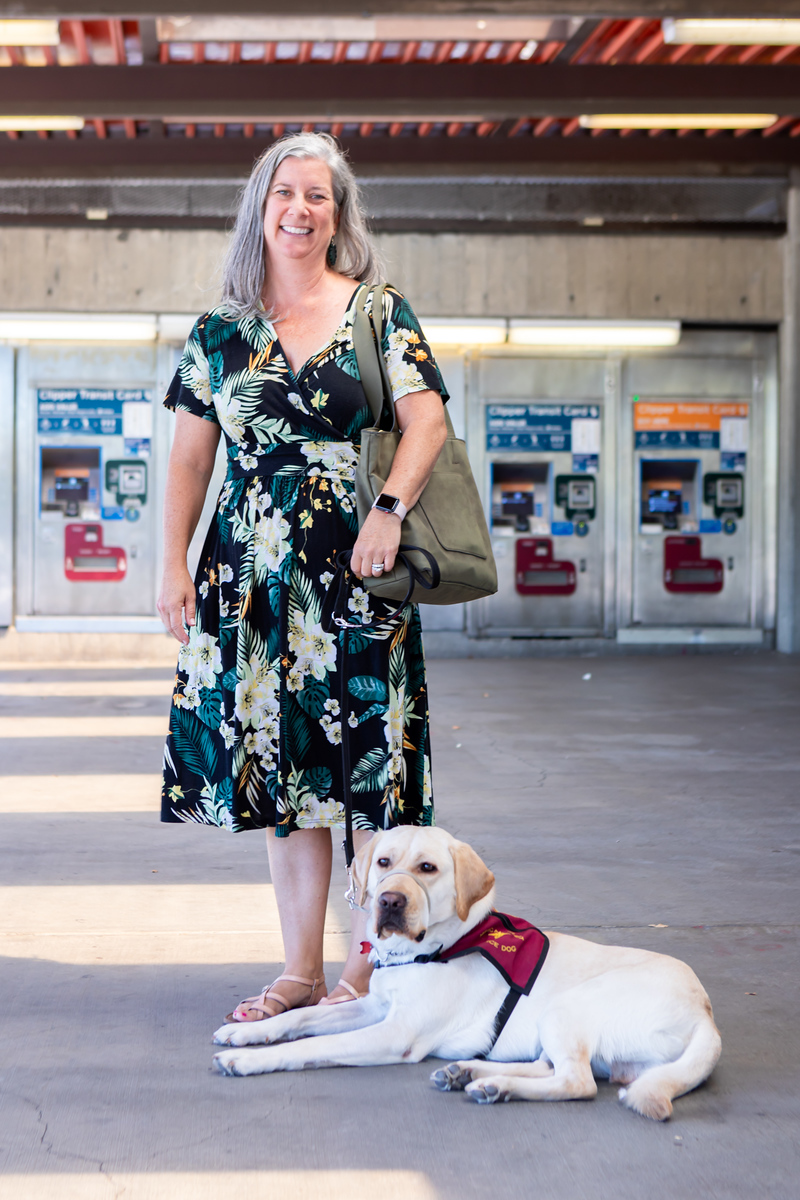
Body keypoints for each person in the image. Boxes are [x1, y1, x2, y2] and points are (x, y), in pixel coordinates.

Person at [157, 131, 448, 1019]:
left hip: (361, 567)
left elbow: (426, 425)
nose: (300, 208)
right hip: (250, 580)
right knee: (287, 781)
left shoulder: (379, 312)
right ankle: (300, 971)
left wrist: (389, 512)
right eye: (285, 192)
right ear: (261, 208)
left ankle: (366, 968)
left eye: (318, 195)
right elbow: (188, 462)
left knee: (369, 775)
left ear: (338, 214)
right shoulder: (220, 333)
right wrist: (172, 565)